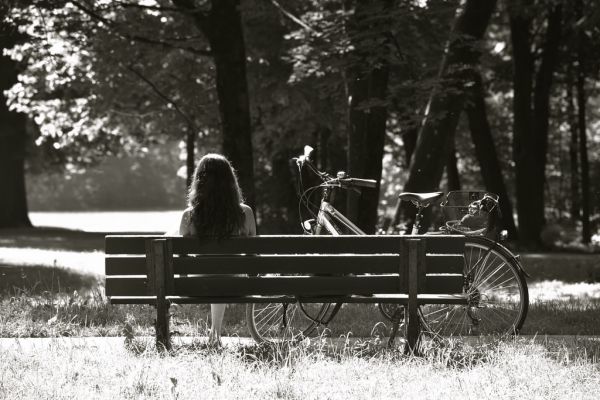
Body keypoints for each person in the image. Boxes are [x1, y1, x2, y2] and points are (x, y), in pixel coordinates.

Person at [177, 153, 256, 347]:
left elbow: (180, 257)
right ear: (231, 181)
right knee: (223, 272)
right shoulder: (245, 213)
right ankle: (215, 334)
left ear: (199, 181)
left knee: (212, 272)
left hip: (196, 287)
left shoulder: (189, 216)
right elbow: (253, 255)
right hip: (235, 286)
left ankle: (215, 334)